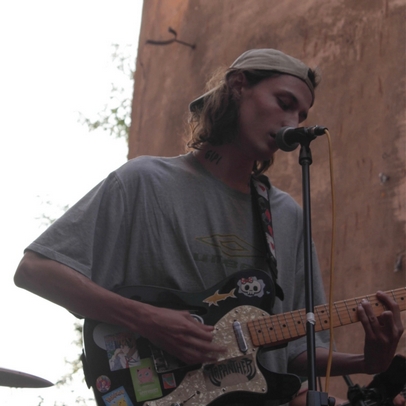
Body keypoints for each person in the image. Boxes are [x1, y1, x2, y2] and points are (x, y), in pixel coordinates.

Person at [14, 49, 403, 405]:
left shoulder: (287, 216)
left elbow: (296, 353)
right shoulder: (143, 182)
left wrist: (368, 362)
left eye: (301, 116)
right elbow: (35, 270)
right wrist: (148, 319)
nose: (292, 123)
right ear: (238, 86)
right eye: (284, 104)